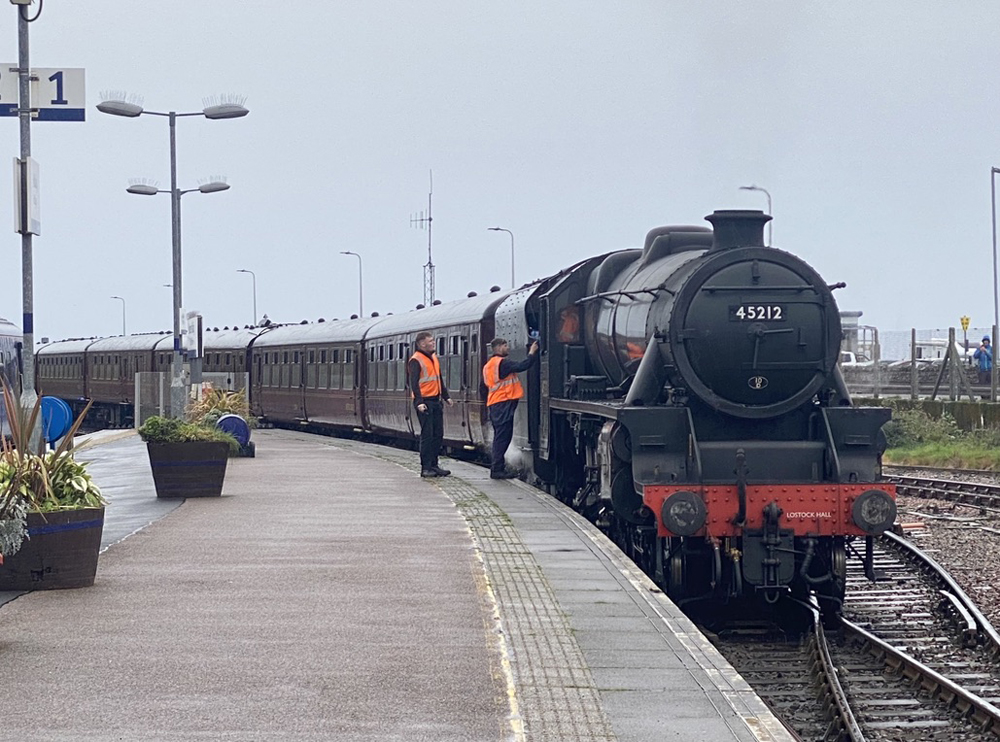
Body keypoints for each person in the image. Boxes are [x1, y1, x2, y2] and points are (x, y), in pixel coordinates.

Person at [483, 337, 539, 479]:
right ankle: (497, 470)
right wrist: (532, 352)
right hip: (503, 403)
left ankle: (498, 468)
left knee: (501, 437)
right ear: (498, 347)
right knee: (502, 438)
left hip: (496, 403)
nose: (508, 348)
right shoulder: (502, 363)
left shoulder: (489, 365)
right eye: (506, 345)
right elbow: (523, 365)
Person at [408, 331, 453, 478]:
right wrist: (419, 402)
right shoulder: (416, 360)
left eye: (433, 341)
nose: (433, 343)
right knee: (427, 435)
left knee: (437, 434)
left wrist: (446, 396)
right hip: (424, 402)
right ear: (422, 344)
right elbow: (414, 383)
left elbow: (439, 378)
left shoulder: (433, 357)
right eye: (430, 341)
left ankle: (434, 465)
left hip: (436, 400)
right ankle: (425, 467)